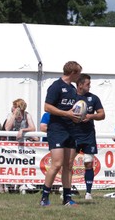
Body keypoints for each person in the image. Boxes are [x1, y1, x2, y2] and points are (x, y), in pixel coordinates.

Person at [39, 60, 83, 207]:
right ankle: (44, 197)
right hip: (57, 130)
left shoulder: (73, 89)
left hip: (71, 130)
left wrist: (78, 117)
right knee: (57, 164)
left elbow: (74, 110)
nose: (80, 76)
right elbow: (47, 107)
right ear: (73, 73)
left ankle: (67, 198)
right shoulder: (56, 86)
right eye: (79, 73)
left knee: (69, 165)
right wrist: (66, 114)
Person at [73, 74, 105, 200]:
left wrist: (90, 116)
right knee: (68, 163)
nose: (89, 86)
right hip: (73, 135)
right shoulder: (72, 97)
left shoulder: (93, 98)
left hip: (88, 135)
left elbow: (102, 114)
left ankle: (88, 192)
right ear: (80, 85)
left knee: (88, 163)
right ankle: (67, 190)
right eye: (87, 84)